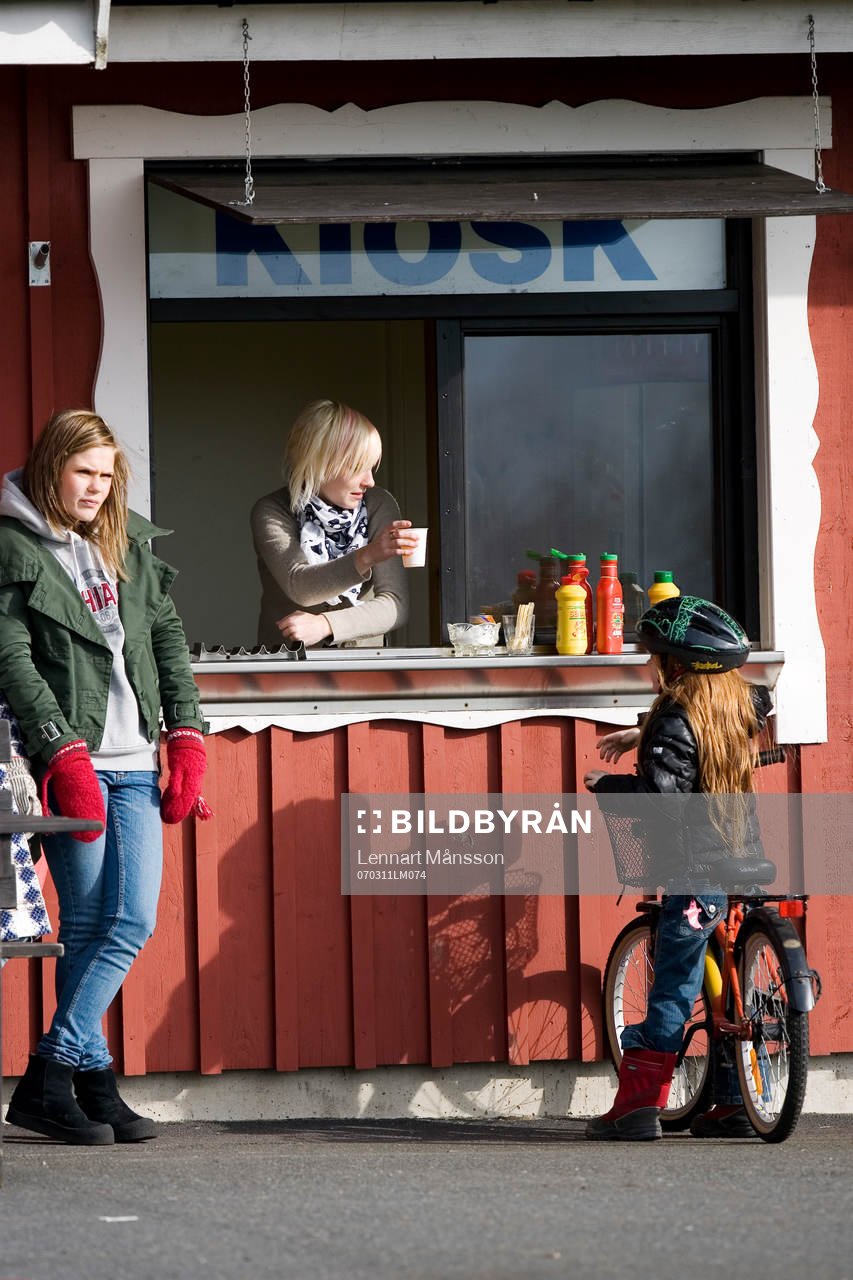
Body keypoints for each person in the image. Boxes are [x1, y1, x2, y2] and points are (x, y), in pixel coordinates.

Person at [0, 409, 209, 1146]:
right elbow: (12, 658)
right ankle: (91, 1086)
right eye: (84, 472)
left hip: (134, 762)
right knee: (95, 925)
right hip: (76, 762)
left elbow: (167, 641)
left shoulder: (127, 544)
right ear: (53, 466)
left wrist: (186, 735)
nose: (97, 486)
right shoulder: (13, 547)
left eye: (107, 473)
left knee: (126, 922)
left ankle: (57, 1078)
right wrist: (60, 751)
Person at [584, 596, 771, 1141]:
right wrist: (642, 734)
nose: (648, 666)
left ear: (675, 664)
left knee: (672, 989)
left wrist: (611, 785)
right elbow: (703, 729)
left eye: (653, 657)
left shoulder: (673, 715)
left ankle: (638, 1108)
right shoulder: (743, 702)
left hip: (695, 870)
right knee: (730, 986)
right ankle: (735, 1102)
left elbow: (662, 797)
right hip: (743, 861)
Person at [251, 400, 418, 649]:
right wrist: (367, 556)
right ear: (320, 463)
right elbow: (300, 586)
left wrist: (326, 625)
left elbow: (396, 604)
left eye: (371, 467)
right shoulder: (273, 510)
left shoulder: (377, 504)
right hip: (288, 668)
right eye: (358, 467)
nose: (369, 481)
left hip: (363, 669)